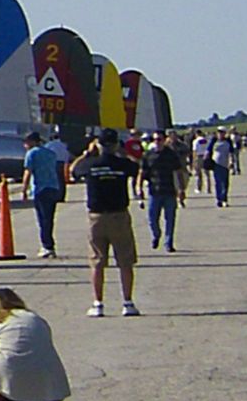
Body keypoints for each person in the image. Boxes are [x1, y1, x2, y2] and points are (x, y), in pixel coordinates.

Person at [69, 129, 139, 318]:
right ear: (116, 144)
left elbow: (72, 171)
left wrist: (86, 153)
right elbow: (136, 167)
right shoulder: (122, 164)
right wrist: (121, 153)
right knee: (125, 261)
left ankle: (98, 303)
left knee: (97, 261)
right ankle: (128, 302)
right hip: (119, 215)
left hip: (97, 217)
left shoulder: (90, 164)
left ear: (98, 144)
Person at [21, 132, 64, 259]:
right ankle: (48, 244)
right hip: (53, 187)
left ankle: (47, 246)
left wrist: (24, 190)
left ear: (33, 142)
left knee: (42, 219)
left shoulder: (31, 153)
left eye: (26, 142)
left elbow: (28, 172)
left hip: (40, 188)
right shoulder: (51, 153)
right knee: (49, 218)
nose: (25, 145)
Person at [142, 132, 185, 251]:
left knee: (170, 218)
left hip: (169, 191)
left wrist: (181, 189)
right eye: (155, 139)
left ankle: (168, 243)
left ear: (164, 140)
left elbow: (179, 171)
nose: (157, 142)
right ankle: (156, 235)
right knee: (152, 218)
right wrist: (139, 188)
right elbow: (143, 172)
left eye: (159, 139)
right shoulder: (148, 155)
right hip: (154, 191)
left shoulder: (171, 154)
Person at [210, 131, 233, 206]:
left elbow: (231, 153)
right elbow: (208, 151)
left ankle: (224, 199)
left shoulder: (228, 142)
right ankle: (218, 199)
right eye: (219, 133)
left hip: (225, 164)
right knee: (217, 182)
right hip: (216, 164)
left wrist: (231, 162)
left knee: (225, 183)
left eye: (222, 133)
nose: (220, 134)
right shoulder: (214, 142)